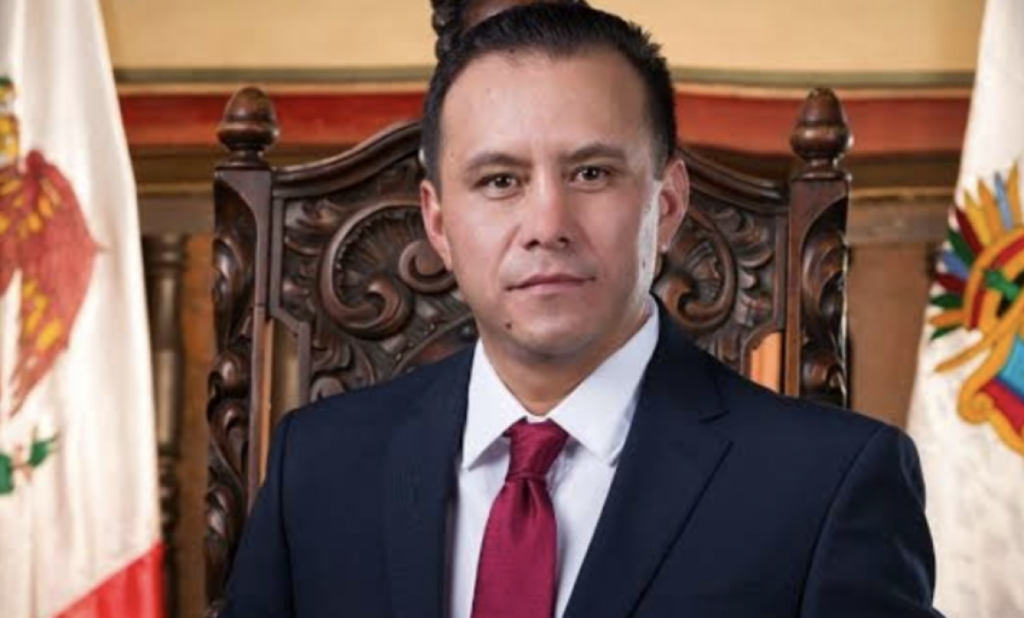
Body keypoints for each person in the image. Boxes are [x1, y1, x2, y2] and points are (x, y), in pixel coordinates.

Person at [219, 4, 944, 618]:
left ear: (667, 203)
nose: (547, 225)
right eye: (499, 180)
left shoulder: (830, 484)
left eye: (591, 173)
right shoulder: (317, 467)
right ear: (438, 223)